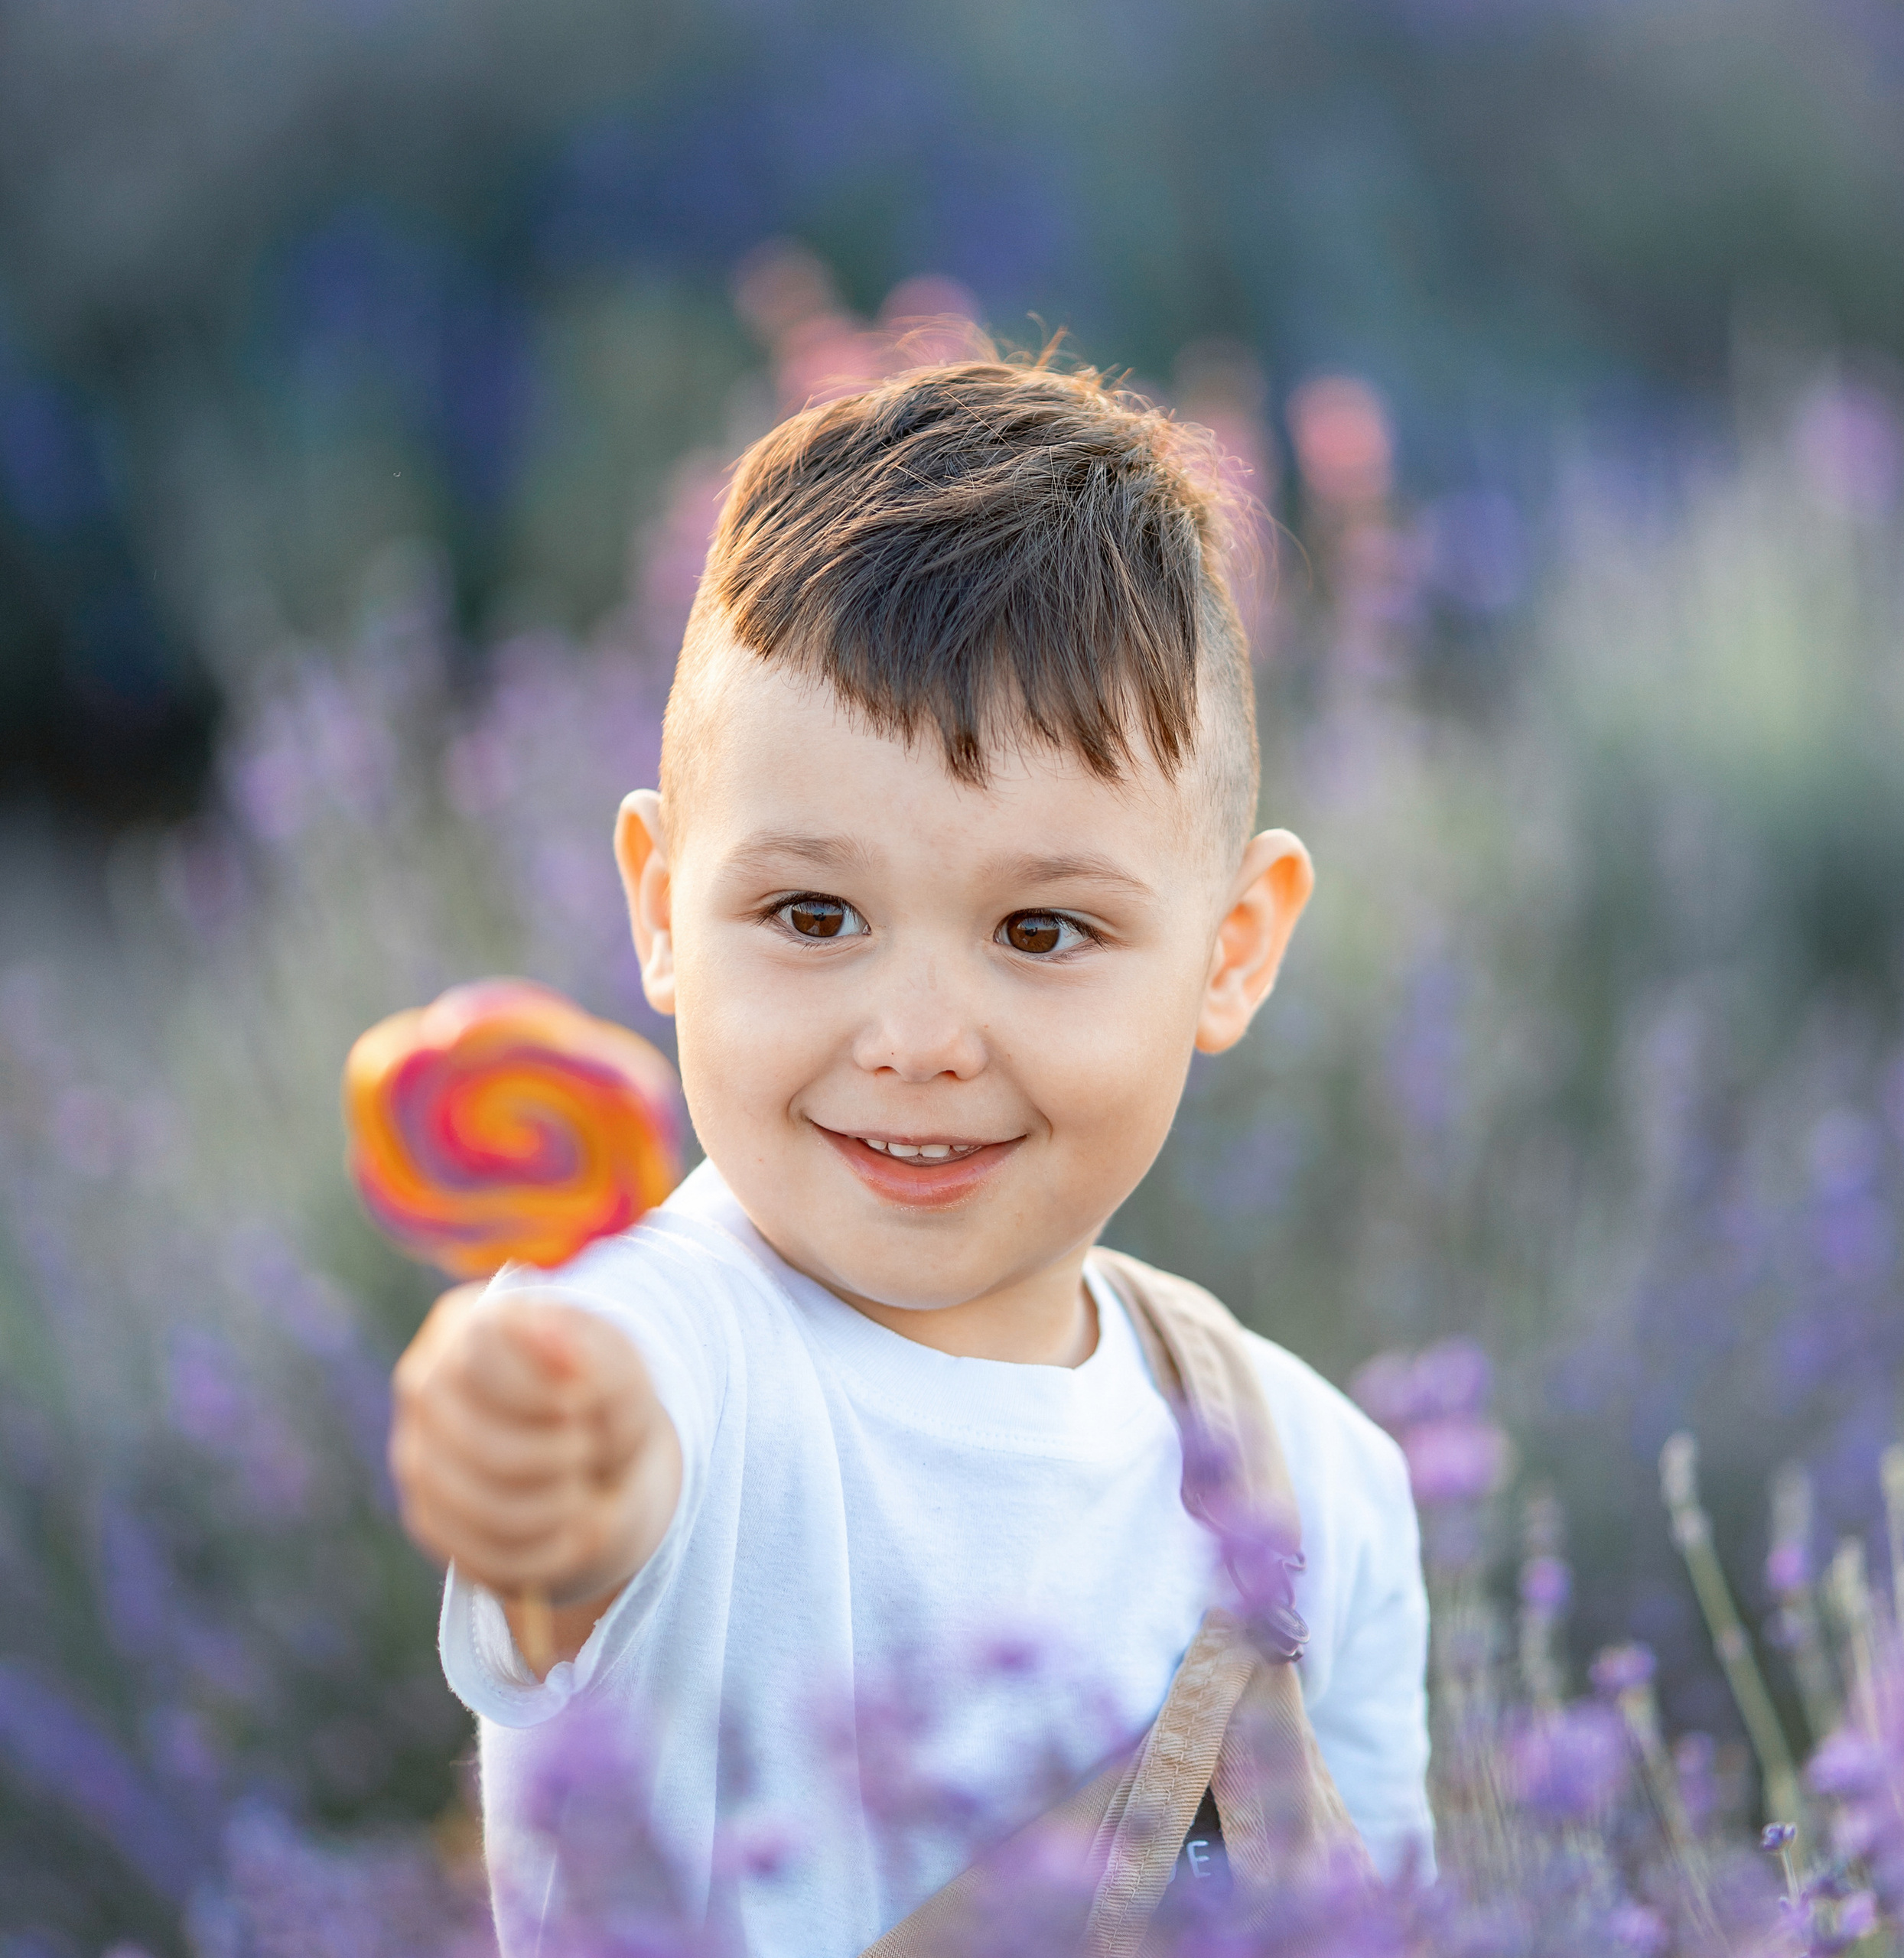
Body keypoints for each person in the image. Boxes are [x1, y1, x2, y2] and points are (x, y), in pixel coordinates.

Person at [389, 354, 1434, 1955]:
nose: (917, 1034)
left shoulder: (1312, 1477)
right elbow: (585, 1488)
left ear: (1231, 947)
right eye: (812, 915)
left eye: (1040, 927)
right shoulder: (672, 1364)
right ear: (663, 905)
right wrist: (529, 1450)